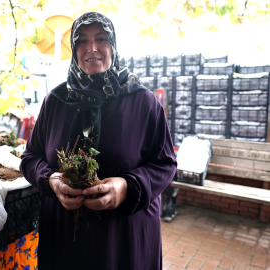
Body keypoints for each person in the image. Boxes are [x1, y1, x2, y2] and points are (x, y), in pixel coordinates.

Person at [20, 11, 177, 270]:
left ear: (113, 45)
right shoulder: (55, 102)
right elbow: (31, 158)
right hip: (65, 240)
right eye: (81, 40)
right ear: (73, 49)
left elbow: (165, 164)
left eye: (101, 38)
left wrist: (127, 186)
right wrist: (52, 181)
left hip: (122, 241)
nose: (91, 48)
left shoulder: (142, 102)